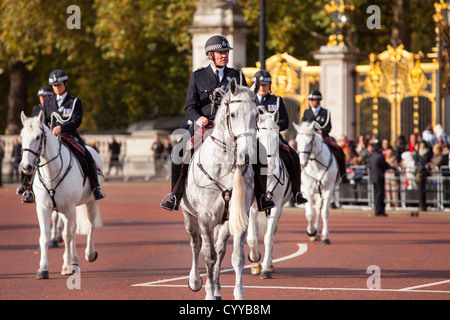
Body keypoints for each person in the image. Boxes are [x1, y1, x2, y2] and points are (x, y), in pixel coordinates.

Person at [160, 35, 275, 212]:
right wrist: (198, 118)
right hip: (205, 126)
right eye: (220, 52)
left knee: (260, 151)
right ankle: (175, 194)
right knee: (178, 151)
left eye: (226, 52)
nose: (224, 55)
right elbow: (189, 107)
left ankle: (261, 196)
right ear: (210, 54)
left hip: (233, 128)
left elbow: (247, 102)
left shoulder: (237, 75)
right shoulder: (198, 76)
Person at [43, 69, 105, 200]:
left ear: (65, 84)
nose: (57, 88)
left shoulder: (75, 101)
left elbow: (77, 121)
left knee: (88, 156)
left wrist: (62, 127)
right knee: (34, 157)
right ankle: (28, 188)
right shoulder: (48, 103)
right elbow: (44, 121)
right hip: (52, 139)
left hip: (70, 137)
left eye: (59, 85)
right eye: (54, 85)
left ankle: (96, 187)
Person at [252, 70, 307, 205]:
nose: (262, 87)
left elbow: (285, 121)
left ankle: (297, 192)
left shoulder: (276, 100)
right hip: (254, 139)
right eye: (259, 84)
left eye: (265, 84)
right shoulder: (249, 101)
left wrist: (273, 125)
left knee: (293, 156)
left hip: (273, 138)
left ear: (269, 85)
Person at [301, 90, 348, 182]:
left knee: (338, 149)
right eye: (310, 100)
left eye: (313, 100)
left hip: (323, 137)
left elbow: (329, 126)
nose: (311, 102)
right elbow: (303, 125)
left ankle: (343, 173)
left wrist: (322, 132)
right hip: (310, 138)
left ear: (318, 101)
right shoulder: (307, 112)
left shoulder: (325, 112)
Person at [20, 86, 54, 202]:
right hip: (39, 142)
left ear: (51, 97)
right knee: (27, 159)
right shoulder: (36, 109)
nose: (43, 99)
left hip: (53, 139)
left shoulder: (54, 107)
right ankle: (27, 188)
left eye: (46, 97)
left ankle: (94, 186)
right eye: (41, 97)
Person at [369, 142, 391, 216]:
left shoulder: (372, 156)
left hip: (373, 177)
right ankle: (379, 210)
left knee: (376, 194)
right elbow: (385, 166)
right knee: (380, 195)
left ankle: (378, 209)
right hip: (379, 177)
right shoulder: (379, 156)